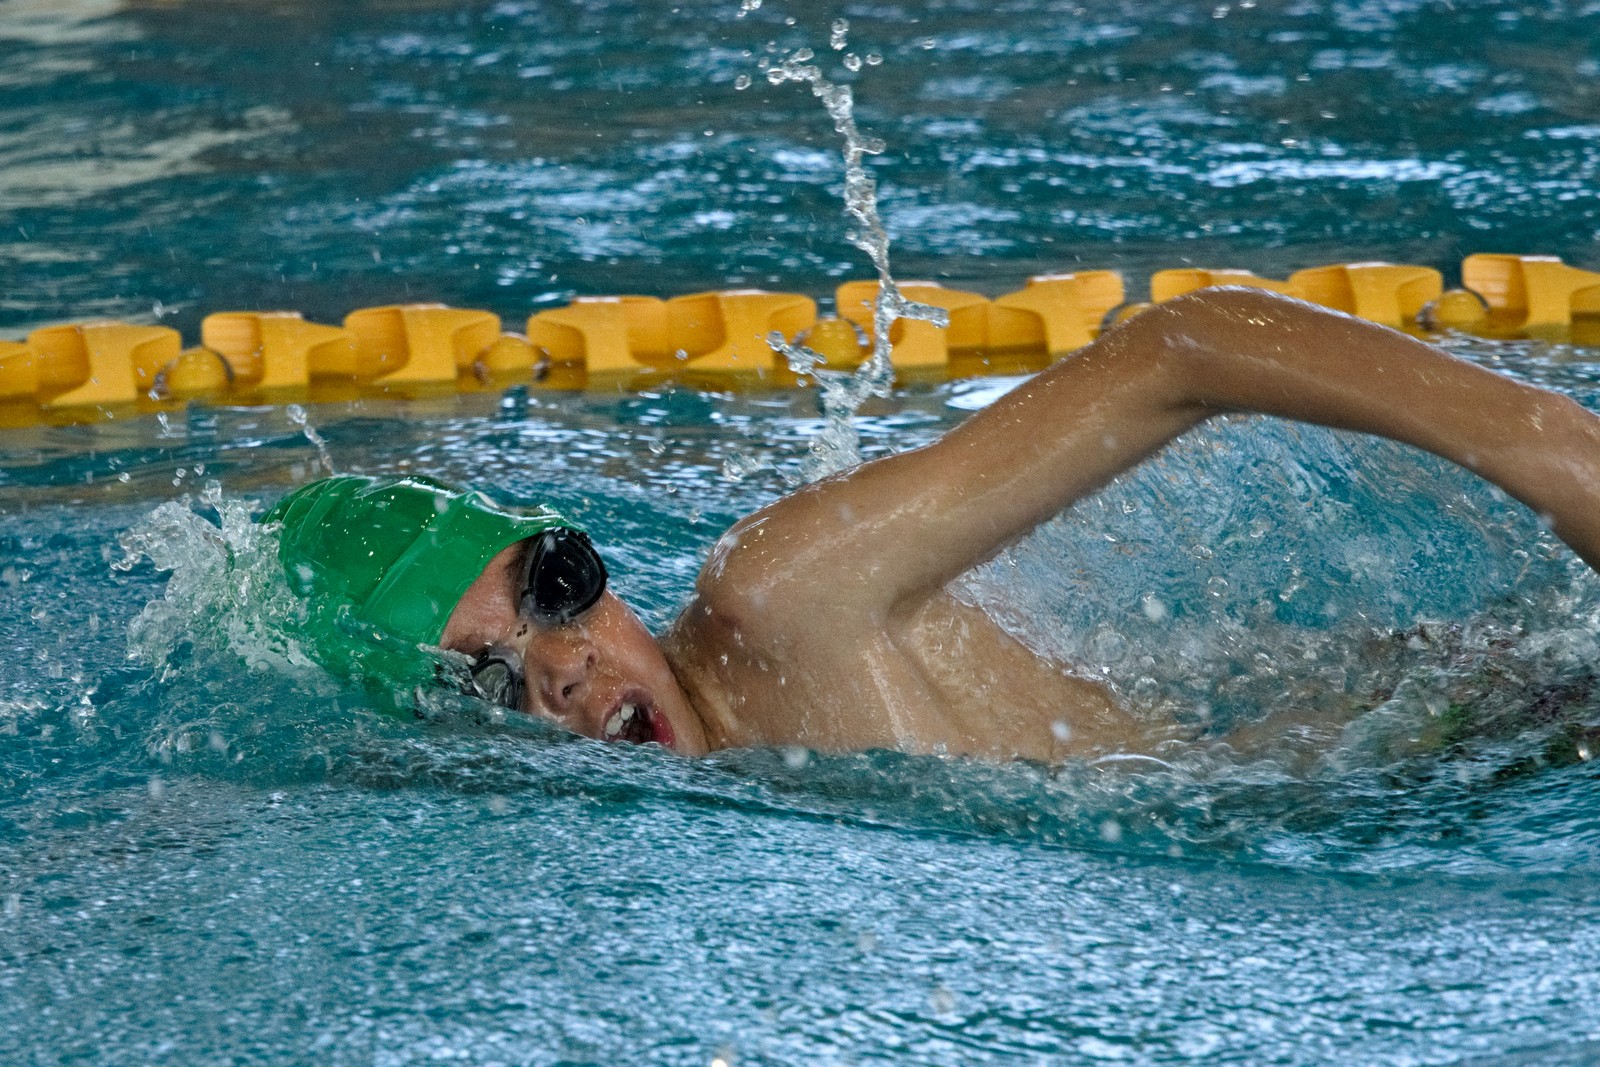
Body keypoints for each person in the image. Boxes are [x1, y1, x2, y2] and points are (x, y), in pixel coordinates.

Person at [266, 287, 1600, 762]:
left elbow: (1184, 347)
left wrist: (1553, 451)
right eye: (488, 683)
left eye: (555, 587)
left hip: (1471, 731)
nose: (561, 668)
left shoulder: (785, 596)